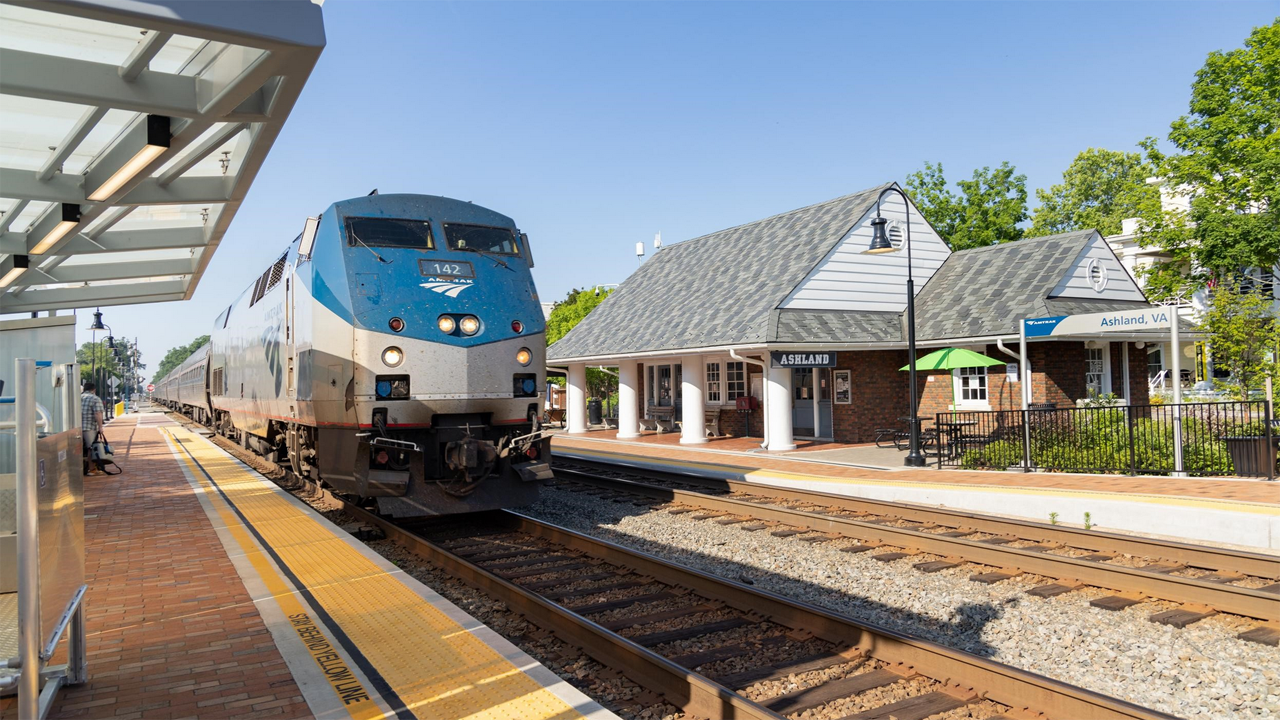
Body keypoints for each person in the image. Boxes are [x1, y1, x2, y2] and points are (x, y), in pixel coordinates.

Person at [81, 381, 106, 476]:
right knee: (91, 448)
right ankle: (92, 469)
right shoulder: (95, 399)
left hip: (75, 427)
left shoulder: (77, 398)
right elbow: (98, 413)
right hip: (89, 427)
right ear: (94, 390)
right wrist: (100, 427)